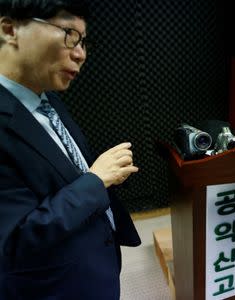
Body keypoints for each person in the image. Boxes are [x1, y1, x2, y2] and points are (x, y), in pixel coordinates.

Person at [0, 1, 141, 299]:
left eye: (83, 41)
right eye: (68, 35)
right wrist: (95, 181)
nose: (80, 53)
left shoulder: (48, 100)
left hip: (91, 267)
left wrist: (104, 176)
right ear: (10, 29)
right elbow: (14, 243)